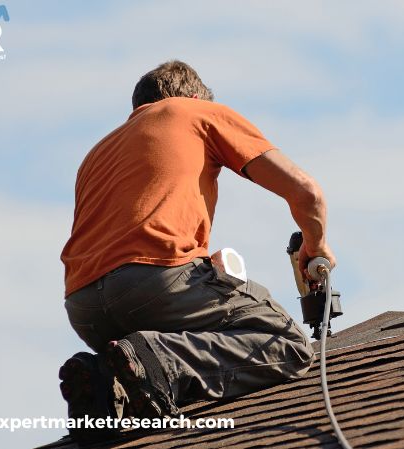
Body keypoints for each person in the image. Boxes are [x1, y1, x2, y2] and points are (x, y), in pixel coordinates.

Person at [57, 60, 336, 438]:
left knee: (139, 363)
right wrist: (315, 244)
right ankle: (160, 358)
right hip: (157, 281)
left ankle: (105, 384)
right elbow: (307, 193)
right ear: (192, 96)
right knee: (286, 342)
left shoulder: (97, 153)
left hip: (85, 307)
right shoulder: (194, 112)